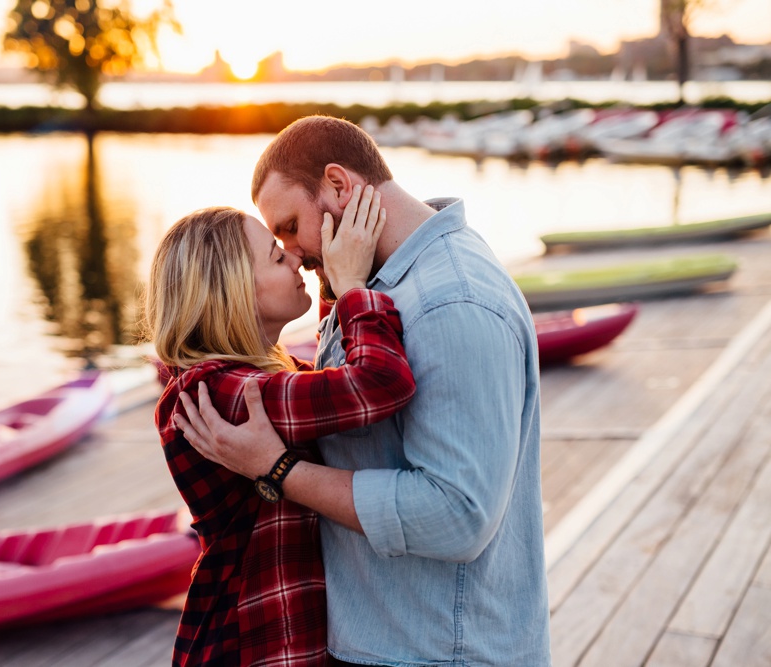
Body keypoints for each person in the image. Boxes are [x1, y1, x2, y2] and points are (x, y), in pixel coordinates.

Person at [174, 115, 551, 666]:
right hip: (395, 643)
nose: (294, 253)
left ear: (338, 186)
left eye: (288, 228)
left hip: (437, 654)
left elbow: (456, 516)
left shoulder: (451, 302)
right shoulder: (374, 283)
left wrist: (280, 472)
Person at [144, 184, 416, 666]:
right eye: (275, 256)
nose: (294, 259)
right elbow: (377, 382)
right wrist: (352, 286)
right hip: (250, 642)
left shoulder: (266, 375)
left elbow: (329, 387)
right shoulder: (218, 393)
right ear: (231, 288)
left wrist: (333, 283)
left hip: (285, 635)